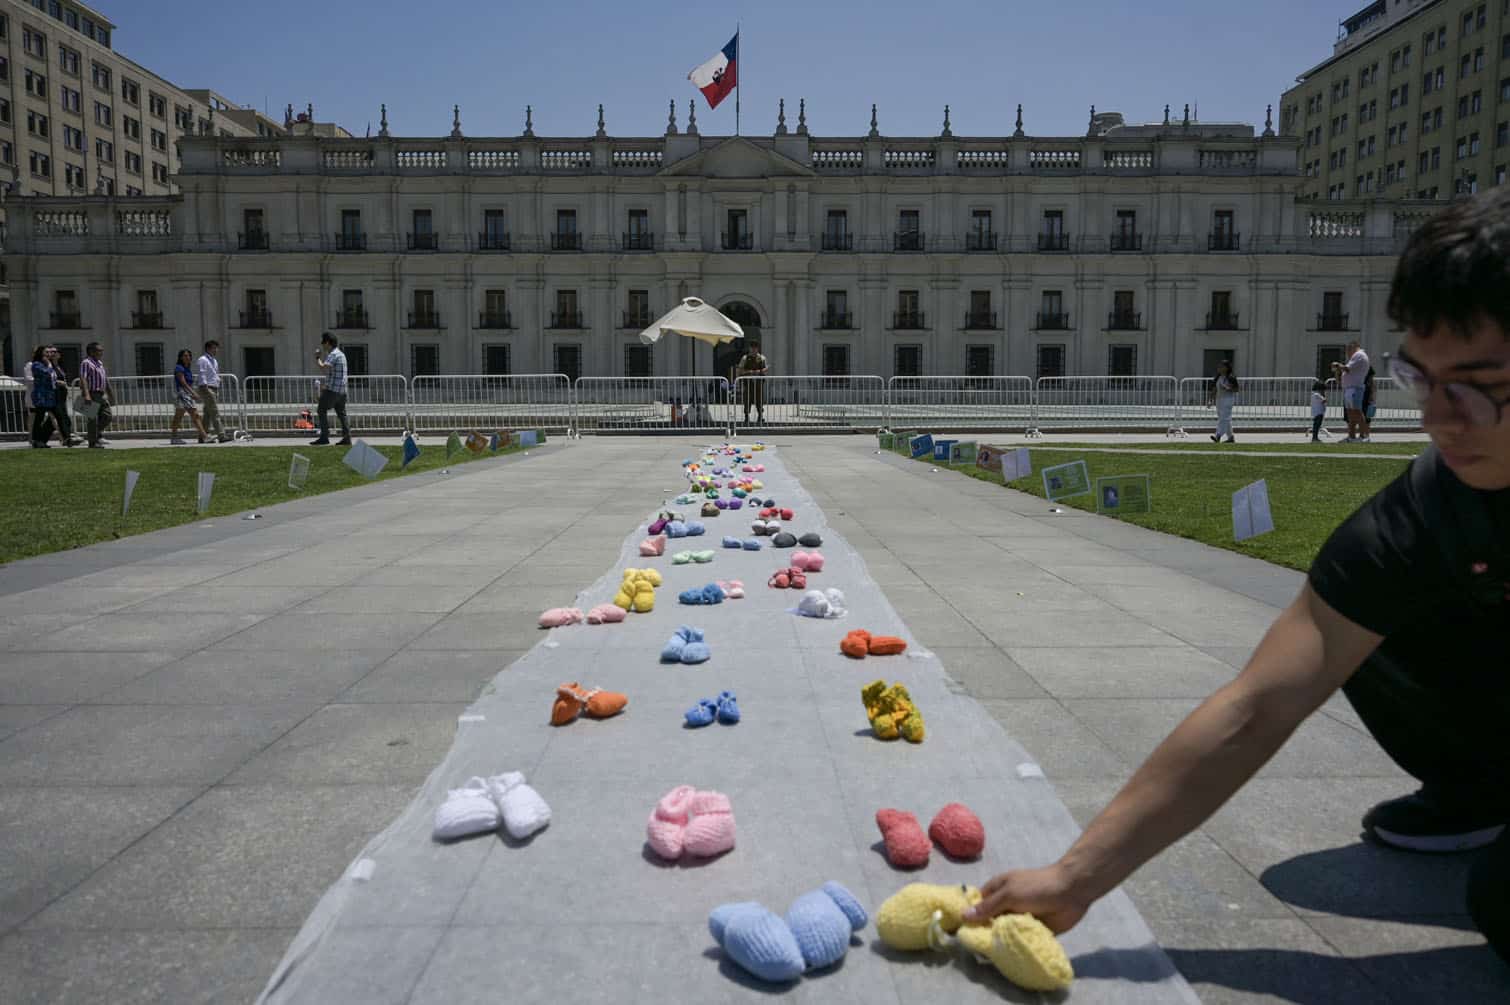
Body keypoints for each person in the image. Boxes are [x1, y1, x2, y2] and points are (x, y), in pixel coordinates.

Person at [962, 187, 1510, 966]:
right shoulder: (1430, 511)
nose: (1436, 419)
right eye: (1420, 379)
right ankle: (1479, 791)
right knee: (1352, 619)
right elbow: (1258, 702)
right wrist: (1076, 876)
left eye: (1475, 386)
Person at [312, 332, 351, 445]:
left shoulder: (333, 354)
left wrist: (317, 357)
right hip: (342, 391)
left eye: (323, 343)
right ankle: (347, 438)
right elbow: (334, 374)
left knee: (321, 410)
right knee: (342, 413)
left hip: (333, 391)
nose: (323, 346)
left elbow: (323, 368)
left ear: (328, 343)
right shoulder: (341, 354)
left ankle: (324, 437)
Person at [1332, 339, 1372, 442]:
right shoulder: (1357, 356)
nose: (1347, 354)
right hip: (1350, 389)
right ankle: (1351, 436)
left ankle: (1364, 437)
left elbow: (1347, 368)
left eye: (1348, 351)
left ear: (1352, 348)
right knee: (1351, 414)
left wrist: (1337, 365)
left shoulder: (1359, 355)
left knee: (1357, 412)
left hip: (1355, 388)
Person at [195, 339, 231, 443]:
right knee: (215, 412)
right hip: (207, 388)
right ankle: (221, 435)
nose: (216, 350)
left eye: (216, 348)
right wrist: (204, 387)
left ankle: (202, 436)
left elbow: (214, 373)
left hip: (214, 387)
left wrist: (219, 380)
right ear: (208, 349)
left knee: (208, 414)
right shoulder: (203, 359)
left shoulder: (214, 360)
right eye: (214, 348)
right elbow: (202, 373)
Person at [170, 348, 207, 445]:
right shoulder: (179, 368)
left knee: (179, 417)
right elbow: (183, 383)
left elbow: (189, 383)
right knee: (195, 415)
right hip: (182, 394)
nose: (187, 357)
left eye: (189, 356)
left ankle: (174, 438)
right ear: (181, 357)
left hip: (186, 394)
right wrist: (193, 393)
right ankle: (204, 436)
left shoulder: (187, 369)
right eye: (185, 356)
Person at [28, 345, 62, 448]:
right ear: (41, 353)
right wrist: (49, 365)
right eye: (46, 352)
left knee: (58, 417)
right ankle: (37, 440)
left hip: (50, 396)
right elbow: (47, 374)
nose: (49, 354)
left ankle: (42, 439)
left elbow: (53, 377)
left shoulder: (49, 364)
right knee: (39, 418)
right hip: (41, 396)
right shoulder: (36, 365)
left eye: (50, 353)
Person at [79, 341, 111, 448]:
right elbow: (83, 378)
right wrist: (86, 395)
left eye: (102, 350)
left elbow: (105, 379)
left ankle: (94, 435)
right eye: (99, 350)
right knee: (92, 419)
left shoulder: (100, 363)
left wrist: (111, 394)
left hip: (100, 394)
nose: (101, 352)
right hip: (92, 393)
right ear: (91, 352)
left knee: (107, 416)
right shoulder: (86, 363)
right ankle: (93, 442)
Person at [736, 340, 769, 424]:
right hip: (748, 382)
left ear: (757, 348)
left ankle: (760, 416)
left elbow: (765, 370)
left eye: (755, 348)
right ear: (750, 348)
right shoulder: (745, 358)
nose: (754, 349)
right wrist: (749, 372)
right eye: (752, 348)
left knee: (759, 399)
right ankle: (746, 417)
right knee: (747, 399)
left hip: (759, 382)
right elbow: (740, 370)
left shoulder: (762, 358)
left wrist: (759, 372)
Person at [1209, 359, 1239, 444]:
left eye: (1221, 366)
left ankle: (1218, 435)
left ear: (1226, 368)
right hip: (1219, 400)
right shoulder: (1218, 377)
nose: (1219, 368)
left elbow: (1236, 389)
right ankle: (1231, 437)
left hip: (1228, 399)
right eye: (1219, 366)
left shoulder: (1231, 377)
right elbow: (1214, 389)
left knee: (1224, 418)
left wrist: (1229, 388)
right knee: (1225, 419)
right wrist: (1210, 400)